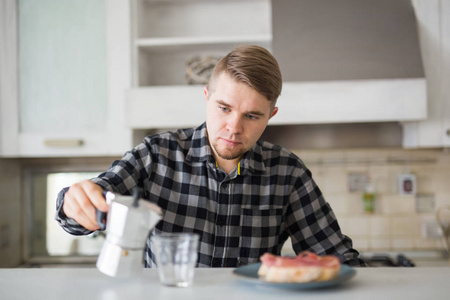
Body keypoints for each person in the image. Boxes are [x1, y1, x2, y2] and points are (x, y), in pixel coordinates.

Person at [56, 45, 366, 267]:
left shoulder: (288, 173)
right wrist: (75, 202)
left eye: (252, 116)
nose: (234, 127)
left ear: (271, 116)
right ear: (207, 97)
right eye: (224, 108)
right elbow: (87, 205)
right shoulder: (156, 155)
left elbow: (336, 258)